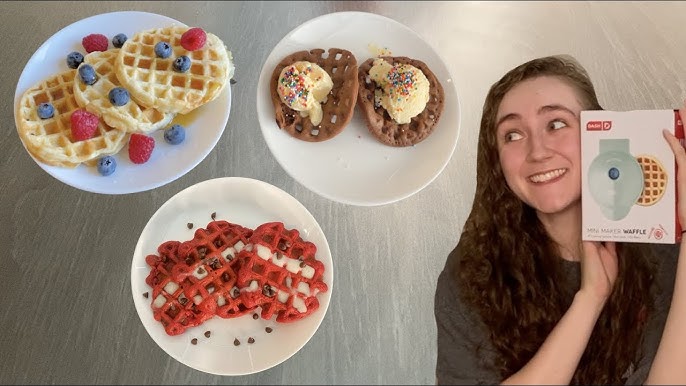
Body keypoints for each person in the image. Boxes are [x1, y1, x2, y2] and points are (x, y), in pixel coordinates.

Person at [434, 54, 686, 384]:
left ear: (600, 132)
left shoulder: (667, 251)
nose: (537, 151)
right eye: (512, 134)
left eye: (556, 124)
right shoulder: (473, 275)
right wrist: (590, 298)